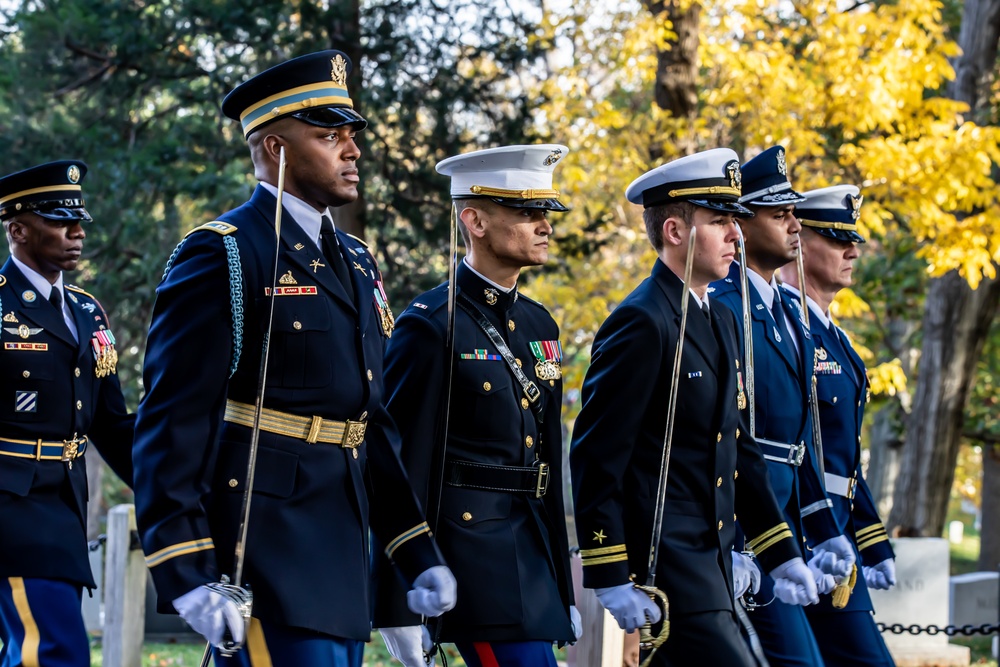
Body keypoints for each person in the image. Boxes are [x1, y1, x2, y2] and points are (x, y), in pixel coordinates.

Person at [131, 50, 455, 667]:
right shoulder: (224, 253)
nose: (353, 150)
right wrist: (185, 566)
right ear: (276, 149)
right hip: (263, 550)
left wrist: (416, 553)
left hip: (339, 552)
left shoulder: (357, 261)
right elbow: (172, 421)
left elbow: (369, 420)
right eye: (330, 135)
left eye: (352, 135)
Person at [571, 148, 817, 666]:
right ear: (676, 232)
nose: (736, 234)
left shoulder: (718, 318)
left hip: (713, 563)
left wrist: (780, 552)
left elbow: (739, 448)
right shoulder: (643, 321)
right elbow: (597, 456)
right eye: (720, 220)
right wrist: (611, 573)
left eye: (735, 221)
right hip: (668, 566)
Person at [373, 144, 578, 667]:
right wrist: (398, 601)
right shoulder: (429, 324)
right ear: (476, 220)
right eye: (527, 213)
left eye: (546, 213)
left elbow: (546, 464)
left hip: (531, 554)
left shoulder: (540, 325)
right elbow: (401, 464)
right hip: (471, 558)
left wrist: (565, 588)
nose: (544, 225)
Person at [711, 146, 856, 666]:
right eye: (781, 214)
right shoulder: (724, 305)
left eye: (794, 212)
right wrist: (736, 540)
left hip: (783, 528)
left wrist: (822, 529)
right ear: (743, 226)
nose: (796, 224)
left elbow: (801, 441)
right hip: (746, 535)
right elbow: (730, 437)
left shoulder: (786, 314)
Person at [0, 160, 134, 667]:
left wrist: (176, 492)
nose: (77, 232)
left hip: (65, 507)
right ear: (18, 229)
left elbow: (112, 425)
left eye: (79, 219)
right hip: (12, 508)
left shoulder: (86, 311)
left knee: (31, 652)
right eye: (60, 220)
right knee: (53, 653)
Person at [780, 185, 897, 667]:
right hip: (799, 538)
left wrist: (871, 539)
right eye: (835, 237)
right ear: (799, 241)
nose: (852, 250)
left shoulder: (836, 336)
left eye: (853, 238)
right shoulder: (783, 324)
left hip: (835, 541)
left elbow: (846, 460)